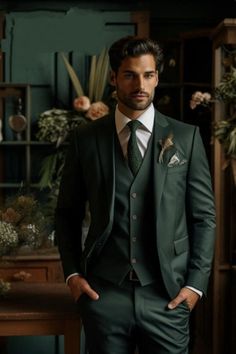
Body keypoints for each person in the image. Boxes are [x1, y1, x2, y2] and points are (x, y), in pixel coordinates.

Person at [55, 36, 216, 354]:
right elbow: (67, 213)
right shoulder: (85, 139)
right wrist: (73, 274)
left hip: (167, 296)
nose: (140, 84)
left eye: (148, 75)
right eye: (129, 74)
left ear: (157, 77)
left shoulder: (187, 138)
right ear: (114, 78)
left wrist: (195, 284)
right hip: (104, 296)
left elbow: (204, 217)